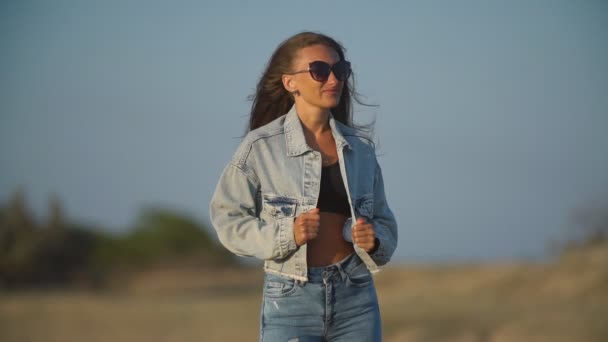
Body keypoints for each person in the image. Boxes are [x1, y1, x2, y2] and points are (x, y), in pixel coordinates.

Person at [209, 31, 398, 342]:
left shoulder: (360, 148)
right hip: (290, 298)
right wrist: (286, 235)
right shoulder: (260, 147)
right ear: (290, 82)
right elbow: (227, 218)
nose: (333, 80)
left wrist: (374, 241)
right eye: (320, 71)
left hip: (356, 295)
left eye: (340, 70)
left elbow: (385, 222)